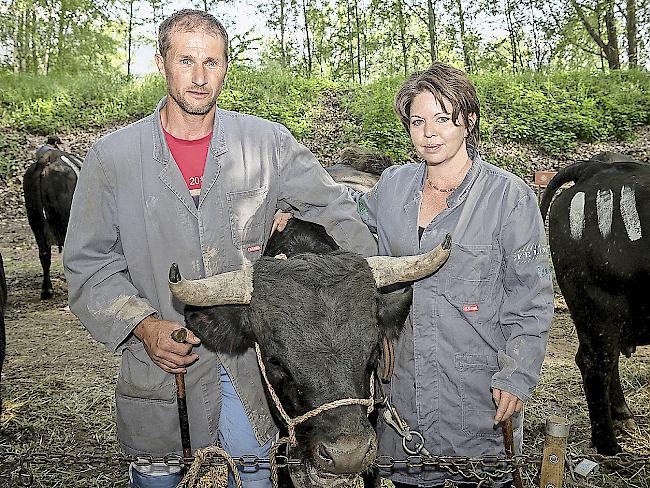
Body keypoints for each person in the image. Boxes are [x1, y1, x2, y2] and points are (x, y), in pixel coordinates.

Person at [62, 9, 377, 488]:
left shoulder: (267, 143)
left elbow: (335, 210)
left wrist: (364, 286)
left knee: (253, 476)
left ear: (227, 65)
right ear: (161, 62)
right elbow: (88, 263)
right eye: (186, 61)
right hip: (163, 365)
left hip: (247, 360)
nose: (200, 77)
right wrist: (143, 325)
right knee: (156, 478)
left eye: (213, 62)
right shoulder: (113, 159)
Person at [275, 61, 553, 487]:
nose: (428, 133)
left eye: (442, 119)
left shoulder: (507, 197)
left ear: (469, 121)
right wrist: (296, 210)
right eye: (418, 121)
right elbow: (349, 215)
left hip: (475, 393)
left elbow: (531, 299)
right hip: (403, 390)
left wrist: (516, 374)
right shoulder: (394, 186)